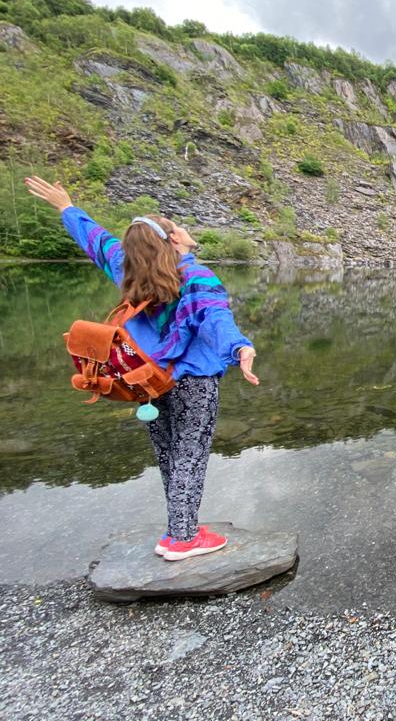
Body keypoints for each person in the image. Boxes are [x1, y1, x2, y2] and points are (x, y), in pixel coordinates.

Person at [25, 175, 259, 562]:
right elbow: (215, 319)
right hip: (195, 382)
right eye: (177, 225)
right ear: (173, 239)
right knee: (191, 455)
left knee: (169, 455)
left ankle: (178, 528)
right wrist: (240, 348)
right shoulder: (195, 277)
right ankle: (183, 539)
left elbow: (97, 242)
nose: (184, 228)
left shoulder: (129, 272)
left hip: (147, 381)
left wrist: (67, 208)